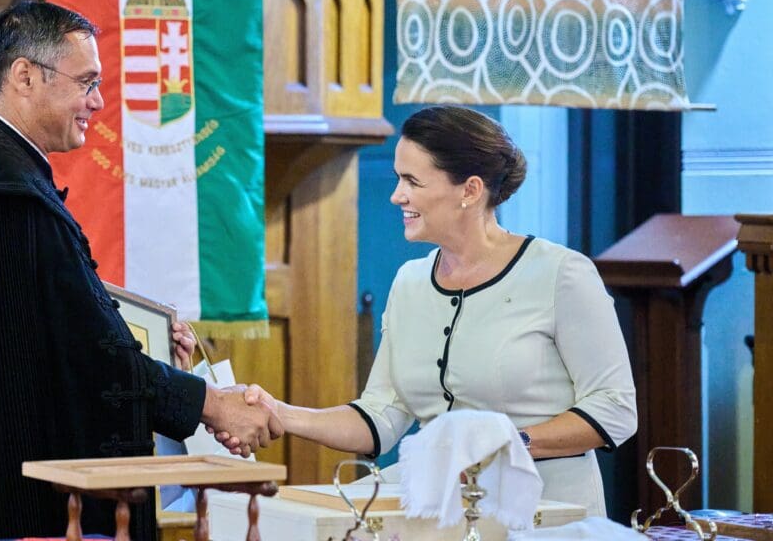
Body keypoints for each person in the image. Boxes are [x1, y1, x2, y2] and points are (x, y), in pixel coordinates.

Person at [0, 1, 280, 541]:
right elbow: (89, 355)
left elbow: (38, 338)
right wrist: (212, 405)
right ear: (24, 76)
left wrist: (153, 354)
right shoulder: (6, 193)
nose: (98, 101)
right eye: (86, 81)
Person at [210, 106, 637, 517]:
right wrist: (279, 413)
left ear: (470, 190)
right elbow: (381, 417)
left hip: (545, 513)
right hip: (436, 511)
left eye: (412, 181)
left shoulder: (562, 274)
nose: (397, 195)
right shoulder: (410, 282)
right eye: (398, 178)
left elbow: (615, 409)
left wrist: (507, 443)